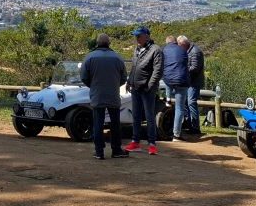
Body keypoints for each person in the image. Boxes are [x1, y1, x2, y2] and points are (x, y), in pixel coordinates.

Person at [81, 33, 129, 159]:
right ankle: (116, 150)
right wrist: (115, 85)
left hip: (97, 94)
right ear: (109, 43)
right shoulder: (117, 58)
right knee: (115, 123)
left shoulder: (90, 57)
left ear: (97, 43)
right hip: (113, 94)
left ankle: (99, 151)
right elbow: (124, 78)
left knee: (98, 123)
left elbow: (84, 77)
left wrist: (94, 86)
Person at [126, 25, 164, 155]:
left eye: (139, 36)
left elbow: (157, 70)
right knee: (136, 116)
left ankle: (152, 144)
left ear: (147, 36)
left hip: (147, 89)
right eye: (135, 36)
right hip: (136, 88)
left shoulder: (156, 50)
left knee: (149, 116)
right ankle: (135, 142)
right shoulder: (137, 49)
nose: (136, 38)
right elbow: (134, 67)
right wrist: (129, 81)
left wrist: (150, 85)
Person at [162, 35, 190, 141]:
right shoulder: (182, 50)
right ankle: (176, 134)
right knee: (179, 108)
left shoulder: (163, 50)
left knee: (167, 79)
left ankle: (168, 99)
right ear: (175, 42)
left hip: (168, 79)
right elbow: (185, 64)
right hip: (182, 81)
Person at [178, 35, 205, 135]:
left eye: (179, 45)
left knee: (191, 102)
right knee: (185, 103)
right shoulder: (188, 50)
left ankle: (195, 127)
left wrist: (182, 70)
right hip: (188, 82)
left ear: (183, 44)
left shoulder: (195, 52)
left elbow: (195, 68)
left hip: (194, 83)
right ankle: (188, 124)